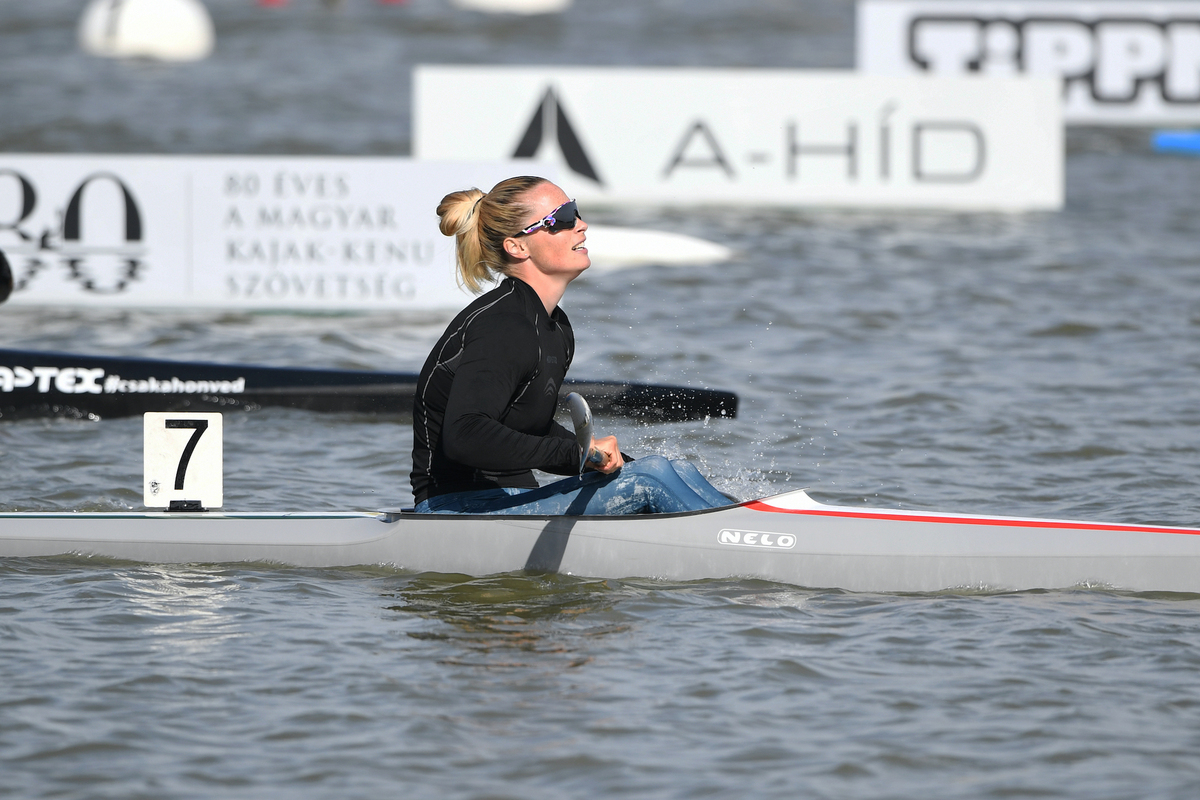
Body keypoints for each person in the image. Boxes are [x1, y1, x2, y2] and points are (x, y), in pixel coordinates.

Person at [410, 176, 729, 515]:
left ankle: (757, 521)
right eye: (562, 219)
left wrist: (606, 459)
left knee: (672, 468)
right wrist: (582, 454)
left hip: (513, 498)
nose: (582, 225)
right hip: (457, 507)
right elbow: (466, 435)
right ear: (517, 246)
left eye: (575, 211)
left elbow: (530, 426)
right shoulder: (501, 325)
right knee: (650, 477)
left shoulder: (555, 327)